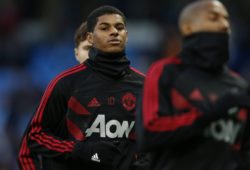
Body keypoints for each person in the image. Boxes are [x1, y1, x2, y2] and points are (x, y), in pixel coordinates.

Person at [18, 5, 146, 170]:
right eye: (105, 27)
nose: (114, 32)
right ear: (91, 38)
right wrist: (82, 150)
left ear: (126, 37)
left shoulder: (145, 86)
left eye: (119, 27)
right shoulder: (66, 83)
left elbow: (160, 141)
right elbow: (35, 136)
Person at [137, 0, 250, 170]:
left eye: (226, 19)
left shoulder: (239, 86)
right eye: (214, 18)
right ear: (188, 28)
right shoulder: (166, 72)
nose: (224, 25)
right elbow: (149, 132)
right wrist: (207, 115)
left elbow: (243, 150)